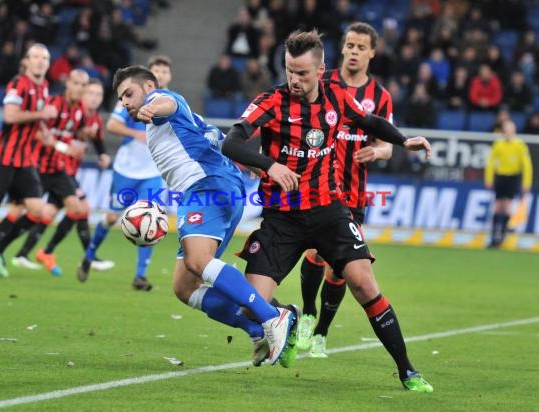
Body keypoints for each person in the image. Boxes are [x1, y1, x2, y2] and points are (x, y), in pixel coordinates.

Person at [222, 30, 433, 392]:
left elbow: (369, 122)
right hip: (281, 216)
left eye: (302, 73)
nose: (294, 79)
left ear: (320, 70)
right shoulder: (271, 102)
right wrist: (268, 165)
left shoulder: (337, 96)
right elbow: (232, 141)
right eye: (290, 70)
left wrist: (402, 140)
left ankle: (408, 371)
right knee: (248, 303)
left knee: (364, 284)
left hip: (328, 212)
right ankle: (287, 319)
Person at [111, 65, 296, 365]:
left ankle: (272, 317)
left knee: (199, 261)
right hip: (213, 188)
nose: (126, 103)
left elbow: (163, 104)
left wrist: (150, 107)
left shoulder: (161, 100)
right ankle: (256, 330)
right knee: (184, 287)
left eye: (129, 94)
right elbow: (213, 136)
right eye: (121, 100)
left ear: (147, 86)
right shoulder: (182, 117)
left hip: (205, 187)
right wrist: (245, 163)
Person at [295, 22, 395, 358]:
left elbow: (387, 146)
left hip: (354, 192)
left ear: (371, 53)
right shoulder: (323, 84)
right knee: (316, 254)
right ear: (343, 49)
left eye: (360, 47)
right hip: (320, 187)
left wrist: (376, 151)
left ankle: (321, 331)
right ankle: (308, 312)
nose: (353, 51)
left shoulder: (380, 97)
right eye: (349, 45)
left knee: (339, 267)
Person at [76, 55, 173, 291]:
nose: (160, 74)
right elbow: (111, 125)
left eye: (164, 70)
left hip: (152, 173)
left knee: (150, 220)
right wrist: (137, 134)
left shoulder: (171, 101)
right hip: (126, 170)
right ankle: (89, 256)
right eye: (156, 70)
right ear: (149, 76)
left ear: (169, 76)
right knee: (111, 217)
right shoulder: (132, 96)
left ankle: (140, 275)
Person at [0, 43, 58, 277]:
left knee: (37, 210)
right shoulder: (18, 84)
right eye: (35, 57)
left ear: (48, 64)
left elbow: (36, 123)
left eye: (44, 58)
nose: (40, 61)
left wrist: (45, 133)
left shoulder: (45, 87)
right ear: (26, 61)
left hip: (24, 159)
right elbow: (10, 116)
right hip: (3, 157)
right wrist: (42, 115)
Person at [11, 76, 112, 273]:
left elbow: (98, 142)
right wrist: (73, 142)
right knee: (80, 208)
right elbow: (57, 133)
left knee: (50, 212)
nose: (94, 98)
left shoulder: (96, 119)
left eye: (98, 95)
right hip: (56, 168)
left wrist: (103, 155)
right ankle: (88, 256)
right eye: (91, 93)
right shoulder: (74, 112)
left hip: (67, 170)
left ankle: (26, 253)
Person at [485, 119, 533, 248]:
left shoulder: (520, 145)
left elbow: (526, 166)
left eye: (509, 130)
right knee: (496, 206)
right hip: (500, 176)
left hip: (512, 177)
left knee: (506, 206)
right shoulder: (498, 144)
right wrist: (489, 179)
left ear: (514, 131)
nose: (507, 133)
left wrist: (526, 183)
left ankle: (502, 235)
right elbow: (491, 162)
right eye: (505, 130)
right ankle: (494, 235)